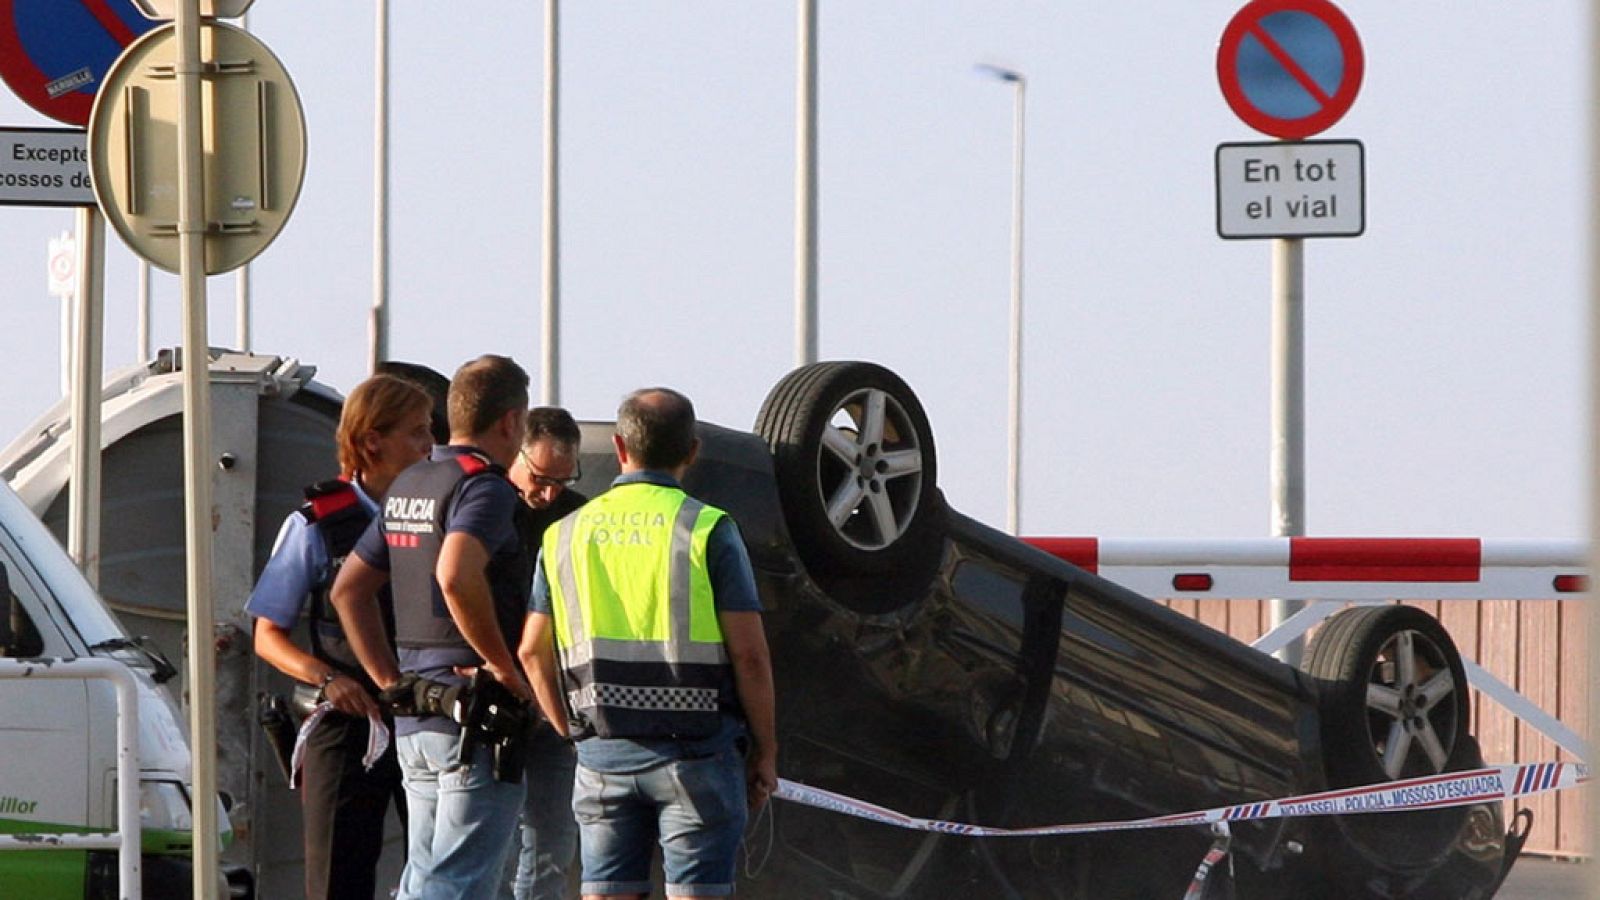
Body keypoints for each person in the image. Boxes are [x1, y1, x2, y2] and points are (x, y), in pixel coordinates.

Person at [518, 388, 778, 900]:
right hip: (697, 757)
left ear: (620, 447)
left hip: (601, 756)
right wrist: (766, 750)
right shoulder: (707, 530)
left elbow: (530, 650)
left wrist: (571, 734)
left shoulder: (565, 534)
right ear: (692, 451)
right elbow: (749, 654)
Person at [331, 354, 537, 900]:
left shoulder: (409, 484)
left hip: (417, 717)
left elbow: (349, 591)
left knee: (423, 878)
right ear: (511, 422)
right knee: (457, 886)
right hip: (473, 719)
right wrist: (501, 665)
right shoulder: (483, 488)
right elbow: (455, 573)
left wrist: (389, 680)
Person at [246, 372, 435, 900]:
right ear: (373, 440)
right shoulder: (314, 526)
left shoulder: (436, 515)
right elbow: (267, 635)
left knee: (440, 867)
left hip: (425, 714)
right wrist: (327, 679)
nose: (429, 446)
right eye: (417, 433)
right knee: (337, 876)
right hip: (346, 721)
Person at [500, 406, 588, 900]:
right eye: (539, 478)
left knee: (553, 841)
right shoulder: (486, 507)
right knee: (498, 844)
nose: (549, 492)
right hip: (496, 696)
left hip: (558, 699)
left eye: (562, 479)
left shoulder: (578, 515)